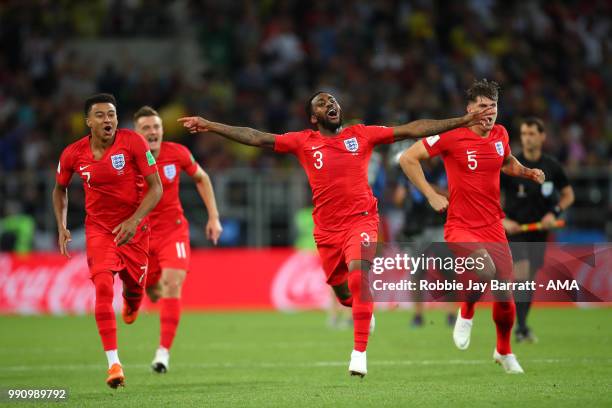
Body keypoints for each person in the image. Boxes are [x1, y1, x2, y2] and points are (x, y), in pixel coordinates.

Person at [178, 91, 493, 377]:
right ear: (314, 117)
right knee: (345, 294)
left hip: (362, 219)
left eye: (333, 101)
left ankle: (359, 354)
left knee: (359, 278)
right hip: (327, 231)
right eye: (322, 103)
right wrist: (211, 125)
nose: (331, 104)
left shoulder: (362, 135)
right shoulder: (303, 141)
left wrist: (462, 121)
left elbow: (412, 129)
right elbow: (256, 137)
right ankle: (359, 311)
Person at [399, 79, 545, 374]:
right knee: (486, 269)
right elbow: (408, 158)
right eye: (482, 106)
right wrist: (430, 195)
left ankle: (504, 351)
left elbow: (505, 162)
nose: (489, 112)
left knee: (506, 295)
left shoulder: (500, 134)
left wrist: (527, 172)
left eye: (493, 106)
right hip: (460, 226)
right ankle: (466, 313)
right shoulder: (451, 135)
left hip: (493, 225)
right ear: (469, 109)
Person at [53, 94, 163, 388]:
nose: (107, 120)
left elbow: (156, 188)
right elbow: (59, 189)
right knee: (102, 285)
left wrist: (135, 220)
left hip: (135, 229)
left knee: (135, 289)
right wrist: (62, 225)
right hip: (99, 230)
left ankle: (133, 299)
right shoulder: (72, 154)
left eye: (112, 115)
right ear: (88, 122)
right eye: (100, 116)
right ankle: (114, 364)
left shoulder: (133, 143)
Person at [133, 106, 223, 373]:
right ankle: (134, 298)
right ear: (136, 134)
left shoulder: (177, 153)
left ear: (162, 130)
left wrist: (213, 217)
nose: (152, 132)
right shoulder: (126, 160)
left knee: (172, 284)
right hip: (141, 236)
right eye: (146, 128)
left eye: (156, 127)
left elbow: (201, 177)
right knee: (152, 290)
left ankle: (163, 354)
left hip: (173, 231)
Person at [501, 117, 574, 343]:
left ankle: (522, 326)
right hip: (515, 229)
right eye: (524, 134)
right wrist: (502, 220)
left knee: (529, 278)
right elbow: (492, 196)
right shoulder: (512, 165)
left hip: (539, 230)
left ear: (542, 136)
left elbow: (568, 195)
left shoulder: (552, 166)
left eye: (532, 133)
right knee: (521, 271)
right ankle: (519, 327)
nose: (527, 138)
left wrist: (555, 213)